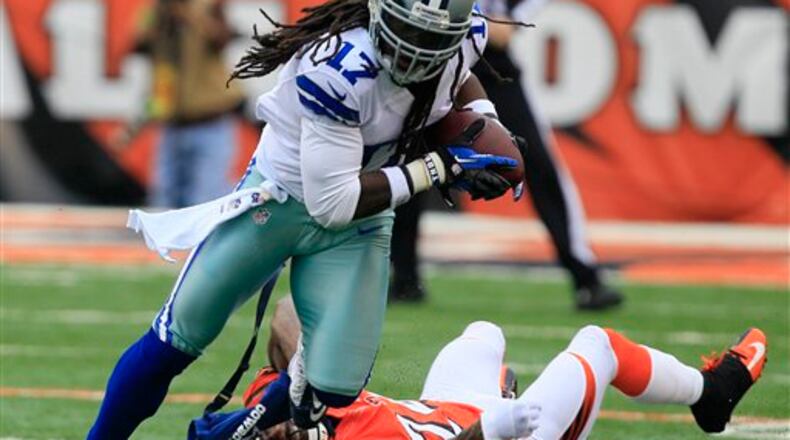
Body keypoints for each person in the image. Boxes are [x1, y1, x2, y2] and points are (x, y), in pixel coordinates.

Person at [87, 0, 522, 438]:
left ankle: (222, 431)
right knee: (176, 339)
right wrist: (442, 165)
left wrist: (484, 127)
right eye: (409, 34)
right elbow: (331, 202)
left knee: (335, 388)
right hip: (280, 206)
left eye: (434, 42)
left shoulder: (467, 36)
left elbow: (460, 75)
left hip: (361, 219)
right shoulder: (336, 67)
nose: (418, 53)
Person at [188, 295, 767, 439]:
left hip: (447, 413)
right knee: (597, 343)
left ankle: (497, 394)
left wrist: (309, 354)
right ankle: (712, 394)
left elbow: (285, 316)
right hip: (486, 436)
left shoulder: (276, 399)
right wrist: (491, 428)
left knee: (483, 336)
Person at [389, 0, 624, 311]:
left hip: (489, 61)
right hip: (434, 50)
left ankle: (584, 275)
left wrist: (512, 18)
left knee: (534, 160)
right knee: (408, 156)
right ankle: (403, 275)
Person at [133, 0, 244, 208]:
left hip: (210, 122)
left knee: (206, 201)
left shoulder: (209, 5)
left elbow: (223, 39)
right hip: (172, 124)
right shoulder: (158, 10)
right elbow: (139, 45)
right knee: (164, 202)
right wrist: (161, 19)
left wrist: (190, 16)